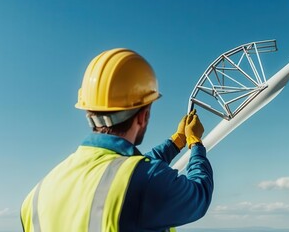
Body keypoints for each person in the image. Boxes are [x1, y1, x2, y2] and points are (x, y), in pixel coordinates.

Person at [20, 48, 213, 232]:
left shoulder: (35, 197)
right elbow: (199, 195)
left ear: (88, 111)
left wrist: (176, 141)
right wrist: (195, 143)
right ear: (143, 116)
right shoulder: (144, 181)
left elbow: (128, 170)